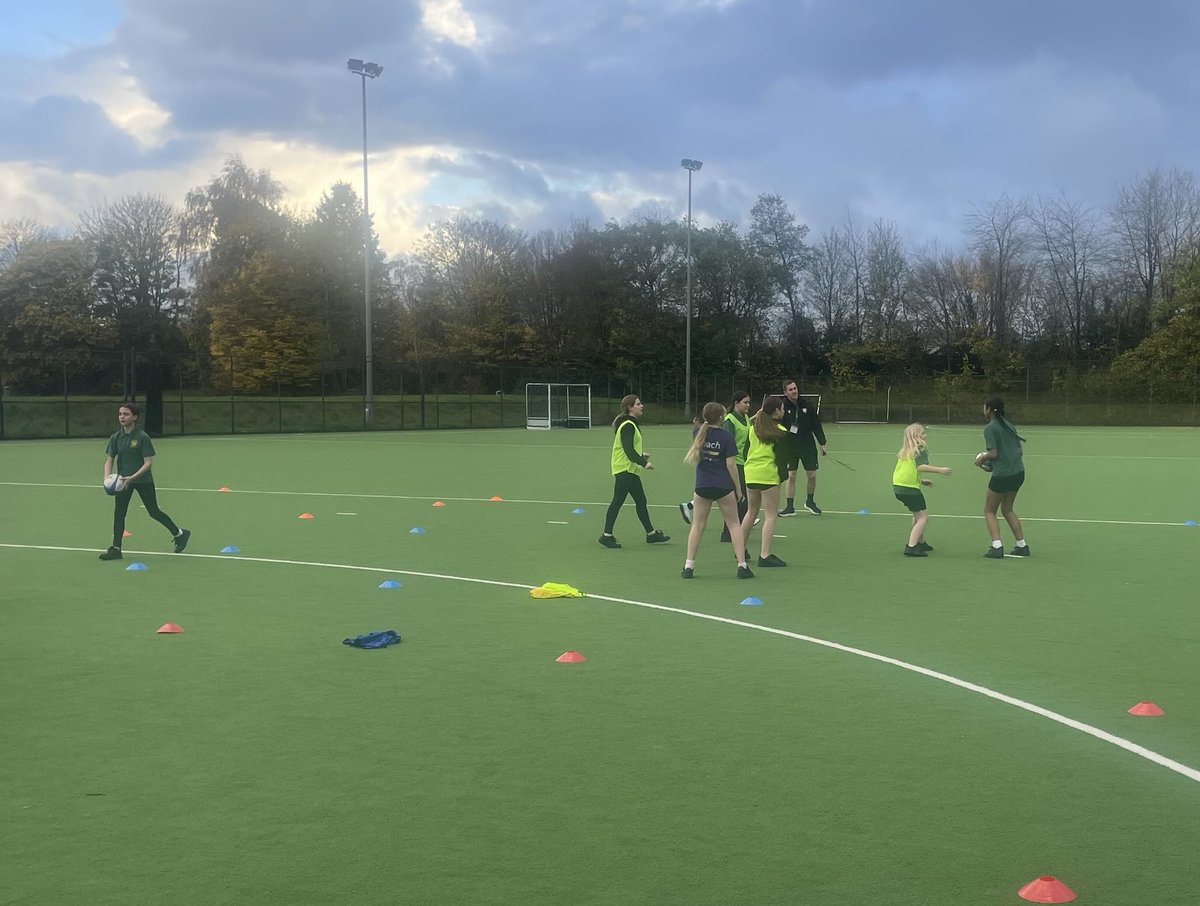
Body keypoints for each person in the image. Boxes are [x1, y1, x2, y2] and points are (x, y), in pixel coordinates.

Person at [99, 402, 190, 561]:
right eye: (120, 414)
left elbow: (148, 462)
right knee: (119, 514)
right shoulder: (116, 437)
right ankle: (116, 549)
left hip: (142, 480)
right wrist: (107, 477)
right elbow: (109, 460)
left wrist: (132, 477)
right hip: (123, 482)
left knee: (153, 511)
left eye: (126, 414)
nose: (122, 417)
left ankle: (180, 534)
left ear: (134, 417)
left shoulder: (142, 437)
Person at [680, 402, 753, 579]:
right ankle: (742, 565)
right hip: (722, 485)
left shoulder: (698, 433)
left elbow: (698, 427)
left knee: (697, 525)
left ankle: (688, 566)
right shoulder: (726, 436)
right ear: (721, 417)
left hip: (702, 485)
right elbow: (731, 465)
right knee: (734, 524)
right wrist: (738, 489)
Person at [599, 395, 670, 549]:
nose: (641, 406)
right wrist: (644, 463)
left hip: (628, 469)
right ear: (630, 407)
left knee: (640, 501)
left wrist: (641, 455)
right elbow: (628, 450)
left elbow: (630, 449)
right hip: (625, 469)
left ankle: (651, 534)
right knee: (618, 501)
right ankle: (606, 535)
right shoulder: (628, 425)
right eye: (638, 404)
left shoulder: (629, 424)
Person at [976, 396, 1029, 559]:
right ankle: (1022, 545)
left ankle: (996, 546)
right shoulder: (1009, 425)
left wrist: (981, 459)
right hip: (1018, 473)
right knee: (1007, 509)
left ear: (989, 410)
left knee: (989, 510)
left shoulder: (990, 428)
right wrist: (991, 466)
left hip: (1003, 475)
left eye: (984, 407)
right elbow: (1018, 451)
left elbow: (993, 453)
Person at [740, 397, 788, 567]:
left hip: (751, 474)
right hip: (768, 475)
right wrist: (782, 478)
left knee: (750, 512)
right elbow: (782, 459)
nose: (783, 411)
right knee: (770, 515)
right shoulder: (780, 430)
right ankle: (765, 555)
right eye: (782, 409)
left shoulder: (753, 429)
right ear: (776, 411)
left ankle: (739, 551)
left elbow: (746, 451)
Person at [892, 423, 952, 557]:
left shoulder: (905, 451)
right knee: (923, 518)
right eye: (923, 433)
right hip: (910, 489)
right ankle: (911, 546)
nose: (926, 435)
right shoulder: (920, 448)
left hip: (898, 487)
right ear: (916, 436)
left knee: (917, 514)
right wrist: (940, 470)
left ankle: (920, 542)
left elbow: (907, 472)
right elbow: (920, 467)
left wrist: (921, 481)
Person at [779, 379, 828, 516]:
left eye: (795, 388)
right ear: (785, 392)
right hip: (790, 447)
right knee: (791, 476)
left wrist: (822, 443)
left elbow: (816, 425)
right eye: (790, 389)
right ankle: (789, 507)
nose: (794, 391)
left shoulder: (807, 405)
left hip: (808, 446)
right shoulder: (782, 407)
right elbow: (783, 425)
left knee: (811, 475)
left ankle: (810, 502)